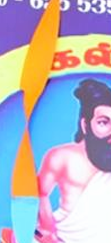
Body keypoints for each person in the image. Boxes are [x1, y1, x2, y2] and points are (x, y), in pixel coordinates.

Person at [36, 79, 111, 243]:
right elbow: (39, 192)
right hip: (63, 236)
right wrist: (48, 230)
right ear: (85, 125)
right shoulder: (62, 156)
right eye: (103, 123)